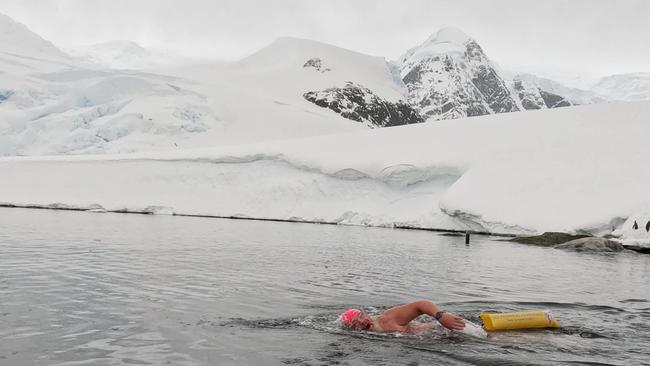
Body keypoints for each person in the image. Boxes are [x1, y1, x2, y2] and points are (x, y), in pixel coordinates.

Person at [338, 300, 466, 334]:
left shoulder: (386, 319)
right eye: (356, 322)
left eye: (361, 316)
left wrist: (441, 316)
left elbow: (420, 305)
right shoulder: (371, 333)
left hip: (449, 329)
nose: (362, 321)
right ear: (352, 328)